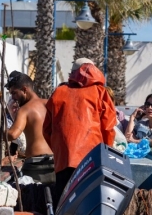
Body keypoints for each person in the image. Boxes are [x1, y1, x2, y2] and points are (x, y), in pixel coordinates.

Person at [44, 58, 117, 203]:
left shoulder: (59, 92)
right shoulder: (100, 92)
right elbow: (108, 128)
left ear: (73, 73)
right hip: (92, 159)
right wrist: (106, 154)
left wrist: (59, 150)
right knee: (89, 201)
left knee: (63, 203)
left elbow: (47, 130)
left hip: (64, 161)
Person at [3, 71, 55, 184]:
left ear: (24, 89)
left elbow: (13, 134)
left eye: (14, 93)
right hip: (53, 161)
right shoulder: (49, 104)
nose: (13, 97)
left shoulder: (25, 109)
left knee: (32, 199)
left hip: (35, 166)